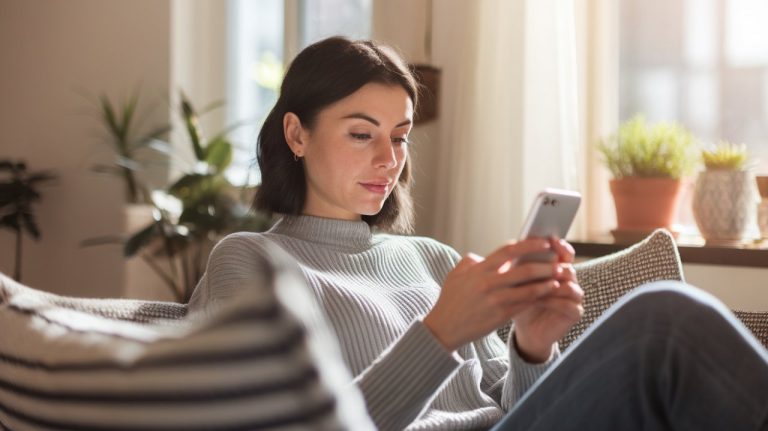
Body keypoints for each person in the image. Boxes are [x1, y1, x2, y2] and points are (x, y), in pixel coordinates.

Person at [190, 36, 768, 430]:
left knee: (666, 325)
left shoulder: (432, 259)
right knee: (662, 318)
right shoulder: (250, 261)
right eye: (361, 135)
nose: (388, 160)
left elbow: (516, 407)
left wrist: (532, 345)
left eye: (400, 136)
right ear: (296, 134)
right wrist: (439, 334)